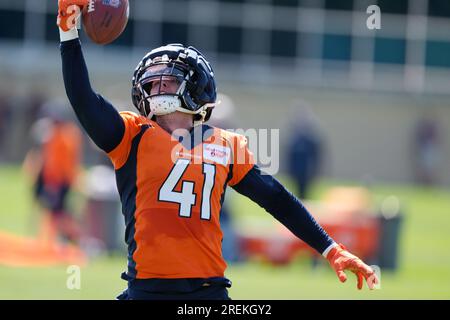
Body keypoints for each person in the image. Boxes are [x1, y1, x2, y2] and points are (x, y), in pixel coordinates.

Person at [57, 0, 378, 300]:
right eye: (151, 83)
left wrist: (331, 249)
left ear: (194, 87)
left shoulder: (226, 144)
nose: (156, 89)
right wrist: (68, 32)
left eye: (166, 81)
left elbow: (277, 199)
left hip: (207, 292)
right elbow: (84, 100)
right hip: (146, 290)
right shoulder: (132, 135)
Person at [23, 106, 82, 244]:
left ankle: (67, 237)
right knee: (57, 210)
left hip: (60, 180)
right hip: (63, 179)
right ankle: (60, 237)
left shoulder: (61, 136)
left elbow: (56, 163)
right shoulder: (69, 133)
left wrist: (52, 183)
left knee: (58, 211)